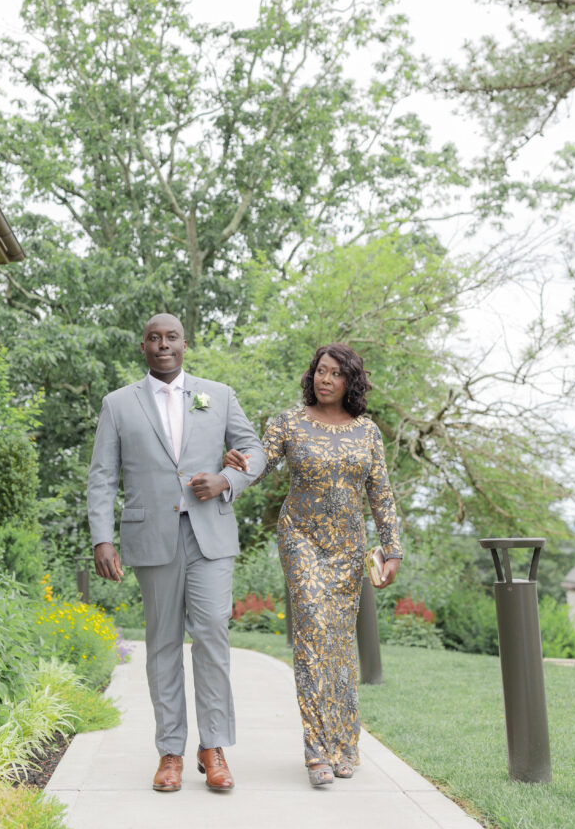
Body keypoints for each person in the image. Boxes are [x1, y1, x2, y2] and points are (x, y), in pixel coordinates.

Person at [87, 313, 266, 793]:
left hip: (210, 535)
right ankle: (170, 752)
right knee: (163, 642)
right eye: (154, 338)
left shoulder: (218, 395)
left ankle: (214, 747)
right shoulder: (118, 404)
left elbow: (255, 449)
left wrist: (228, 479)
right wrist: (102, 538)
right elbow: (102, 475)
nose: (163, 345)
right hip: (152, 538)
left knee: (211, 634)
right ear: (142, 346)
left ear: (185, 345)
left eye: (172, 338)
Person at [224, 343, 402, 787]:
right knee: (311, 634)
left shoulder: (368, 432)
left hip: (348, 548)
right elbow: (260, 465)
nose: (325, 379)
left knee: (340, 644)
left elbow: (380, 493)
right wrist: (234, 466)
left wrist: (392, 547)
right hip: (301, 538)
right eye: (320, 371)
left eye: (335, 374)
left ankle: (345, 744)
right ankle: (316, 750)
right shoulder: (289, 422)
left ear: (350, 383)